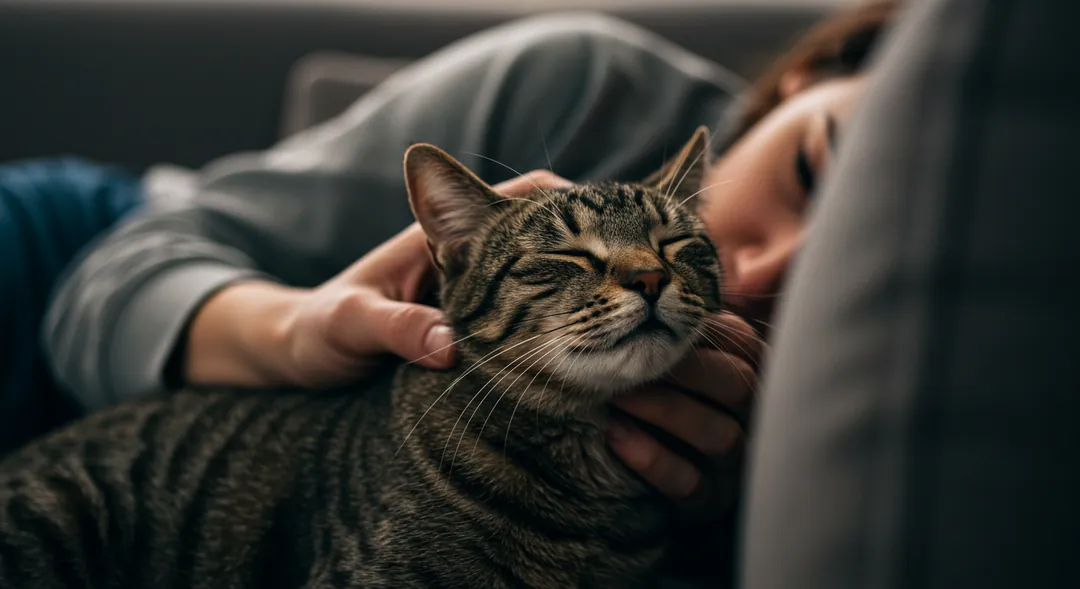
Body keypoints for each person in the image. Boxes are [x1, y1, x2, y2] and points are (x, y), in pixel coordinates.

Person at [3, 0, 901, 581]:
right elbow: (105, 276)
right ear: (805, 78)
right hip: (68, 253)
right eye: (811, 172)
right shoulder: (583, 82)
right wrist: (299, 328)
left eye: (858, 251)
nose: (754, 273)